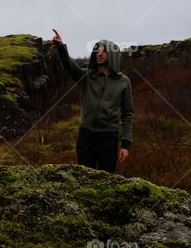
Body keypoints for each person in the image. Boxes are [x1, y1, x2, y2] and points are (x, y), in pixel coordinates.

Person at [51, 30, 133, 172]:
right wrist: (61, 47)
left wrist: (125, 145)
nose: (99, 54)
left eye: (104, 51)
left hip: (109, 138)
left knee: (106, 180)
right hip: (86, 136)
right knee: (83, 178)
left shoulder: (123, 82)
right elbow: (70, 67)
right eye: (97, 51)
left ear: (112, 55)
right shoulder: (86, 76)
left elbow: (128, 114)